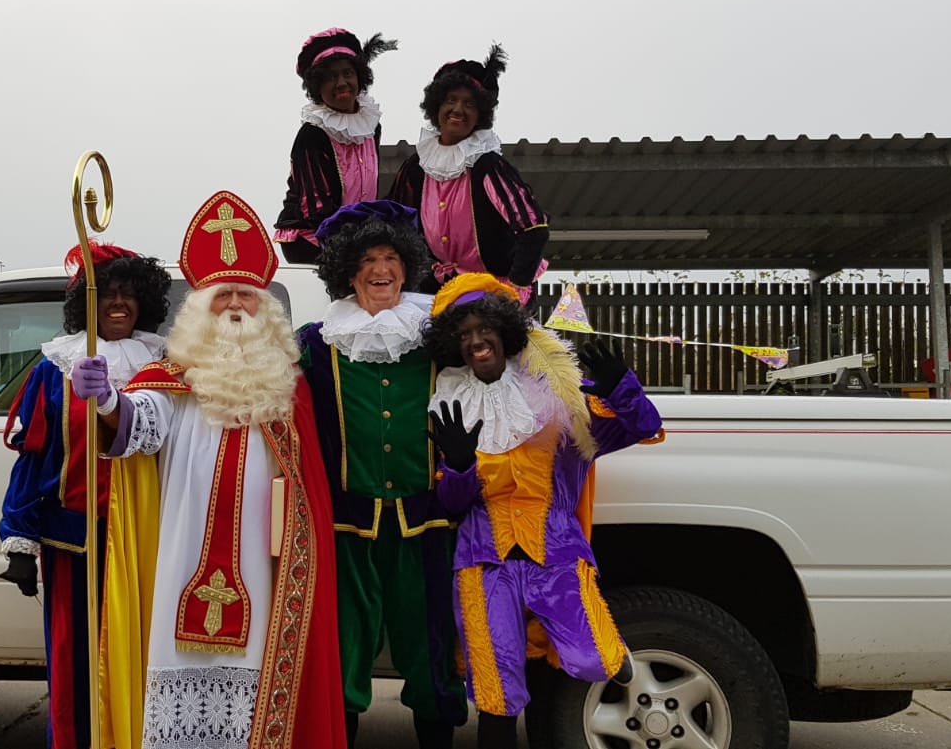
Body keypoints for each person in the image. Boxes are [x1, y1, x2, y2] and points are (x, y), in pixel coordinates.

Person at [73, 191, 346, 749]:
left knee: (258, 689)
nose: (237, 305)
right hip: (179, 562)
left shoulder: (287, 390)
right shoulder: (169, 381)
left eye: (248, 293)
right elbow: (137, 427)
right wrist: (105, 402)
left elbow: (306, 488)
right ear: (200, 308)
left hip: (265, 572)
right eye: (224, 296)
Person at [422, 273, 662, 749]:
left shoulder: (555, 397)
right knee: (496, 694)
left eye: (482, 329)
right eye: (463, 335)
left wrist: (621, 389)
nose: (475, 342)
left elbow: (641, 426)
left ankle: (611, 655)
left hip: (555, 552)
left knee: (595, 659)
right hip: (482, 561)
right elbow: (449, 506)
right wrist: (461, 465)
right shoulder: (450, 402)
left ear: (503, 330)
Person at [295, 201, 466, 748]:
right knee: (346, 645)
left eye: (391, 256)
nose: (381, 268)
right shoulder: (317, 344)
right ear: (349, 271)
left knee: (429, 641)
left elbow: (502, 363)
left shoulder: (438, 334)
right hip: (348, 524)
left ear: (405, 265)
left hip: (425, 519)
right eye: (368, 258)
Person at [0, 243, 173, 749]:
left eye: (128, 294)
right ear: (86, 306)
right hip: (73, 541)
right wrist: (20, 537)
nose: (118, 304)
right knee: (75, 664)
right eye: (106, 295)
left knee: (142, 659)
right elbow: (36, 456)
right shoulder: (55, 368)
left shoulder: (163, 364)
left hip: (148, 543)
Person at [389, 45, 549, 299]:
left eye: (469, 104)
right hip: (438, 291)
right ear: (436, 106)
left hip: (492, 291)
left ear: (480, 115)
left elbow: (534, 229)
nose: (458, 110)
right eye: (451, 100)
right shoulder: (416, 167)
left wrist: (513, 288)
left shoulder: (488, 166)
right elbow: (395, 224)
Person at [275, 28, 398, 265]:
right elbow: (316, 208)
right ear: (317, 87)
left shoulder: (371, 126)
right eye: (330, 77)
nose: (341, 83)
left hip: (358, 237)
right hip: (312, 239)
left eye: (347, 74)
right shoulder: (312, 134)